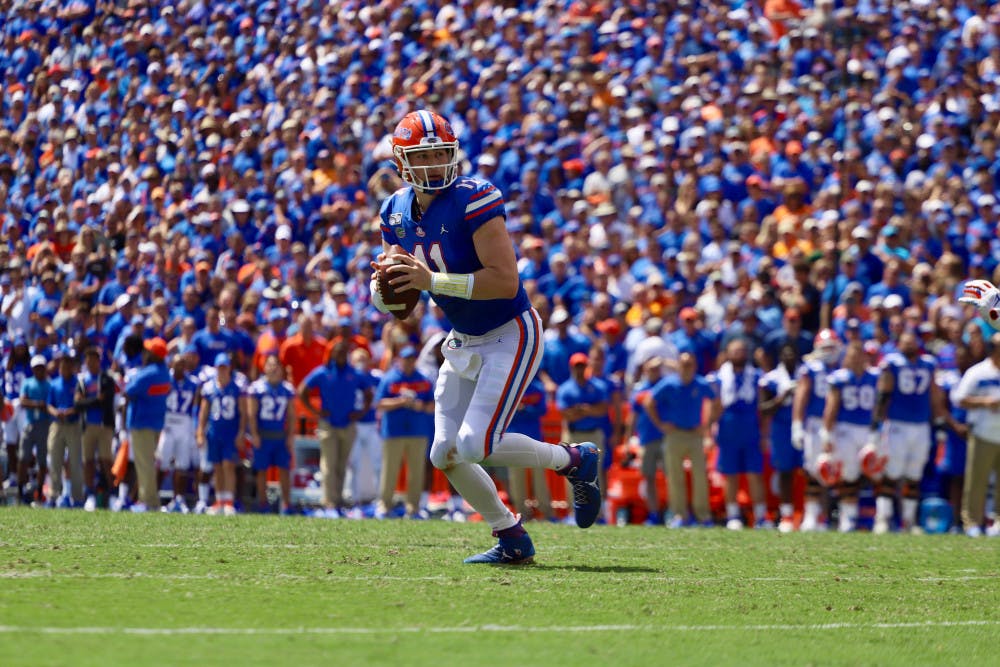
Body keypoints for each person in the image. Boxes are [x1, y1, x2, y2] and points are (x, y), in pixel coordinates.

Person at [374, 110, 600, 564]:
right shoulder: (394, 211)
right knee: (444, 452)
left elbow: (504, 282)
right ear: (401, 161)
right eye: (425, 156)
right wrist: (383, 293)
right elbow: (402, 295)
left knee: (476, 443)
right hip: (463, 337)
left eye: (442, 154)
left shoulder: (475, 198)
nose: (436, 164)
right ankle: (511, 537)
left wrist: (431, 282)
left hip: (510, 331)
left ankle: (574, 460)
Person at [871, 331, 943, 534]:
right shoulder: (892, 363)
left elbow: (934, 395)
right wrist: (876, 426)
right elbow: (883, 394)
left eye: (912, 342)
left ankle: (909, 520)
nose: (909, 346)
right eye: (905, 342)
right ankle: (883, 518)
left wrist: (938, 423)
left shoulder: (928, 364)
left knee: (914, 474)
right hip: (897, 425)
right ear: (899, 344)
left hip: (920, 426)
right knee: (891, 472)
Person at [298, 337, 370, 518]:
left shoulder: (353, 373)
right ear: (331, 353)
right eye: (337, 352)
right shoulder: (323, 372)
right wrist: (315, 411)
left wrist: (361, 412)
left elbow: (369, 392)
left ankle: (338, 499)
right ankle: (329, 500)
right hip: (328, 424)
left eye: (343, 352)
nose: (340, 355)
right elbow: (303, 390)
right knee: (329, 464)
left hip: (347, 423)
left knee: (342, 464)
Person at [643, 351, 715, 528]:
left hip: (695, 434)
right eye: (683, 364)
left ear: (694, 366)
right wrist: (660, 424)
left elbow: (716, 401)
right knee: (675, 476)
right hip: (674, 434)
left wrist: (707, 424)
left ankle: (703, 515)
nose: (686, 368)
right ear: (678, 366)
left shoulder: (701, 383)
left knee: (700, 475)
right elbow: (649, 402)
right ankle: (679, 515)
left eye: (689, 364)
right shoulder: (669, 383)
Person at [709, 338, 768, 530]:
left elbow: (763, 406)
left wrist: (765, 434)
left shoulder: (756, 376)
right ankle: (732, 515)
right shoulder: (719, 377)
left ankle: (760, 516)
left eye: (742, 350)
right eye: (735, 351)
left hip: (750, 429)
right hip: (728, 429)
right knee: (730, 475)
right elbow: (715, 405)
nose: (739, 354)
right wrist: (709, 429)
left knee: (754, 474)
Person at [821, 341, 879, 533]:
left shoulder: (875, 376)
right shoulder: (840, 378)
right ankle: (848, 518)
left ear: (865, 357)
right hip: (846, 429)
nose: (855, 360)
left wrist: (879, 430)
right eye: (851, 356)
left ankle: (881, 518)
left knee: (878, 473)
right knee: (849, 474)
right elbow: (831, 407)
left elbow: (882, 405)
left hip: (869, 429)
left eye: (858, 355)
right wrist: (827, 434)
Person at [374, 346, 434, 519]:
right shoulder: (390, 378)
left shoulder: (423, 379)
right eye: (406, 359)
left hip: (418, 431)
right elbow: (379, 403)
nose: (409, 362)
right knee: (390, 470)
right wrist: (400, 401)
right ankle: (385, 506)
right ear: (399, 360)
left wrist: (418, 405)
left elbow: (432, 406)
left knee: (416, 471)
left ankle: (413, 509)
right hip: (394, 431)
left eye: (412, 359)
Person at [949, 332, 1000, 537]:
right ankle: (972, 523)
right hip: (982, 433)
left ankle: (997, 522)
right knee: (976, 482)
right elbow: (959, 398)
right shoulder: (978, 372)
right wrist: (984, 402)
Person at [792, 329, 842, 531]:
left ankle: (834, 515)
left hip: (839, 424)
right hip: (815, 422)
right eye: (825, 348)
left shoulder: (842, 368)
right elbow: (801, 396)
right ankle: (812, 515)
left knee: (837, 470)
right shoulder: (811, 368)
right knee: (813, 470)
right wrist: (797, 424)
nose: (829, 352)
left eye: (832, 347)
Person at [123, 338, 171, 512]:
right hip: (156, 423)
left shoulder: (147, 373)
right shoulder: (165, 372)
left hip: (141, 422)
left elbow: (127, 391)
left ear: (154, 355)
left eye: (148, 350)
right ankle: (145, 500)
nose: (144, 352)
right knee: (147, 463)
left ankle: (150, 502)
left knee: (144, 465)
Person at [758, 342, 802, 533]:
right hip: (781, 428)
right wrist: (782, 397)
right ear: (780, 357)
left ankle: (814, 514)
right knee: (785, 471)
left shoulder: (806, 375)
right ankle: (787, 515)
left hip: (804, 426)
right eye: (786, 353)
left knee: (810, 471)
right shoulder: (772, 379)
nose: (789, 356)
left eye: (793, 353)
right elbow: (764, 408)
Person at [197, 352, 247, 516]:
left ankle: (229, 501)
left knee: (228, 465)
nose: (223, 371)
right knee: (217, 466)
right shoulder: (210, 387)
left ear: (229, 368)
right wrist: (200, 431)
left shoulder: (236, 388)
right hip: (214, 431)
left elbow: (243, 412)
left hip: (230, 431)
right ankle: (219, 500)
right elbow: (204, 412)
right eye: (220, 368)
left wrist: (241, 433)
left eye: (225, 367)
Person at [557, 352, 610, 507]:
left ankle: (597, 511)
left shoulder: (597, 386)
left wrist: (582, 410)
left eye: (582, 366)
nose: (580, 370)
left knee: (596, 473)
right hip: (573, 435)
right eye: (577, 367)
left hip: (594, 433)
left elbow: (603, 409)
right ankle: (573, 511)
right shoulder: (565, 389)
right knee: (571, 473)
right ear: (571, 368)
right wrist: (587, 411)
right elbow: (566, 414)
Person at [247, 353, 296, 514]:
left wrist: (290, 436)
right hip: (263, 435)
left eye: (276, 365)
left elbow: (291, 415)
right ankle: (263, 503)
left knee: (284, 469)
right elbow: (252, 414)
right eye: (270, 364)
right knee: (262, 471)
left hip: (280, 436)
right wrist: (254, 434)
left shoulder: (287, 389)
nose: (273, 368)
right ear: (264, 367)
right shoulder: (257, 388)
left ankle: (287, 505)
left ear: (281, 369)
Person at [155, 354, 199, 513]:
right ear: (171, 365)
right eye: (177, 364)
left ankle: (178, 499)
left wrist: (194, 427)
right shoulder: (165, 380)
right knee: (162, 461)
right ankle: (154, 496)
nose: (180, 367)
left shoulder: (193, 383)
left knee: (182, 463)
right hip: (168, 422)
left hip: (184, 423)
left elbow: (196, 405)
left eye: (182, 364)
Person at [505, 376, 553, 522]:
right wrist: (520, 409)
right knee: (516, 478)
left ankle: (545, 513)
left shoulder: (537, 387)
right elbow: (504, 411)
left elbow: (543, 410)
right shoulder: (509, 386)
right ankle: (522, 514)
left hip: (534, 437)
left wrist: (524, 408)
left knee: (539, 477)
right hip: (514, 437)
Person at [75, 346, 117, 511]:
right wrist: (94, 401)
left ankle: (113, 495)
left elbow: (106, 400)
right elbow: (77, 403)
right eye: (89, 359)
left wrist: (88, 401)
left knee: (106, 461)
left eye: (94, 359)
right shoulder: (82, 381)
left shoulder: (107, 379)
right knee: (88, 462)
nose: (91, 362)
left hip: (104, 425)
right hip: (88, 426)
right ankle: (90, 495)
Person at [629, 357, 666, 525]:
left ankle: (672, 511)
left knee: (670, 477)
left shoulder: (666, 387)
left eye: (657, 368)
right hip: (646, 439)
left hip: (665, 438)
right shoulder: (640, 391)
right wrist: (628, 438)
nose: (654, 372)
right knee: (649, 477)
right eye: (651, 368)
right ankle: (654, 513)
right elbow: (633, 416)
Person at [345, 347, 382, 512]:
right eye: (357, 359)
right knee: (354, 464)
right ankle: (355, 501)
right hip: (355, 425)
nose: (361, 362)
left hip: (373, 425)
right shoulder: (348, 377)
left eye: (363, 358)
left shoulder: (377, 377)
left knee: (379, 463)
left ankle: (381, 500)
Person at [46, 351, 83, 508]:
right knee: (55, 460)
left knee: (75, 462)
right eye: (63, 366)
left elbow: (80, 404)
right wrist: (55, 412)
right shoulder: (54, 383)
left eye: (68, 366)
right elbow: (49, 404)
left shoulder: (77, 383)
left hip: (73, 425)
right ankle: (54, 495)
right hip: (57, 425)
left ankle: (77, 497)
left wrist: (69, 412)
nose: (65, 368)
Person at [17, 355, 51, 505]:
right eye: (36, 367)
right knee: (23, 458)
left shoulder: (50, 385)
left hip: (44, 425)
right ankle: (20, 491)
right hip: (30, 424)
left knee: (42, 461)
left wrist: (43, 406)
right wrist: (38, 405)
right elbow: (23, 401)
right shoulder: (28, 383)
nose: (39, 370)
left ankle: (38, 495)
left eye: (41, 367)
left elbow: (50, 404)